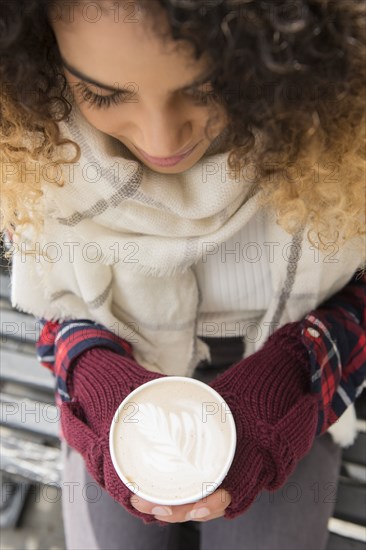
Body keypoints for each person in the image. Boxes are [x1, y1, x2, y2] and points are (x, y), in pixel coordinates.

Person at [1, 1, 365, 549]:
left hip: (288, 399)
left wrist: (297, 370)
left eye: (205, 88)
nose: (161, 142)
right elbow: (57, 301)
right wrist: (91, 371)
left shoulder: (341, 132)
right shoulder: (40, 143)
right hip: (121, 404)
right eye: (102, 94)